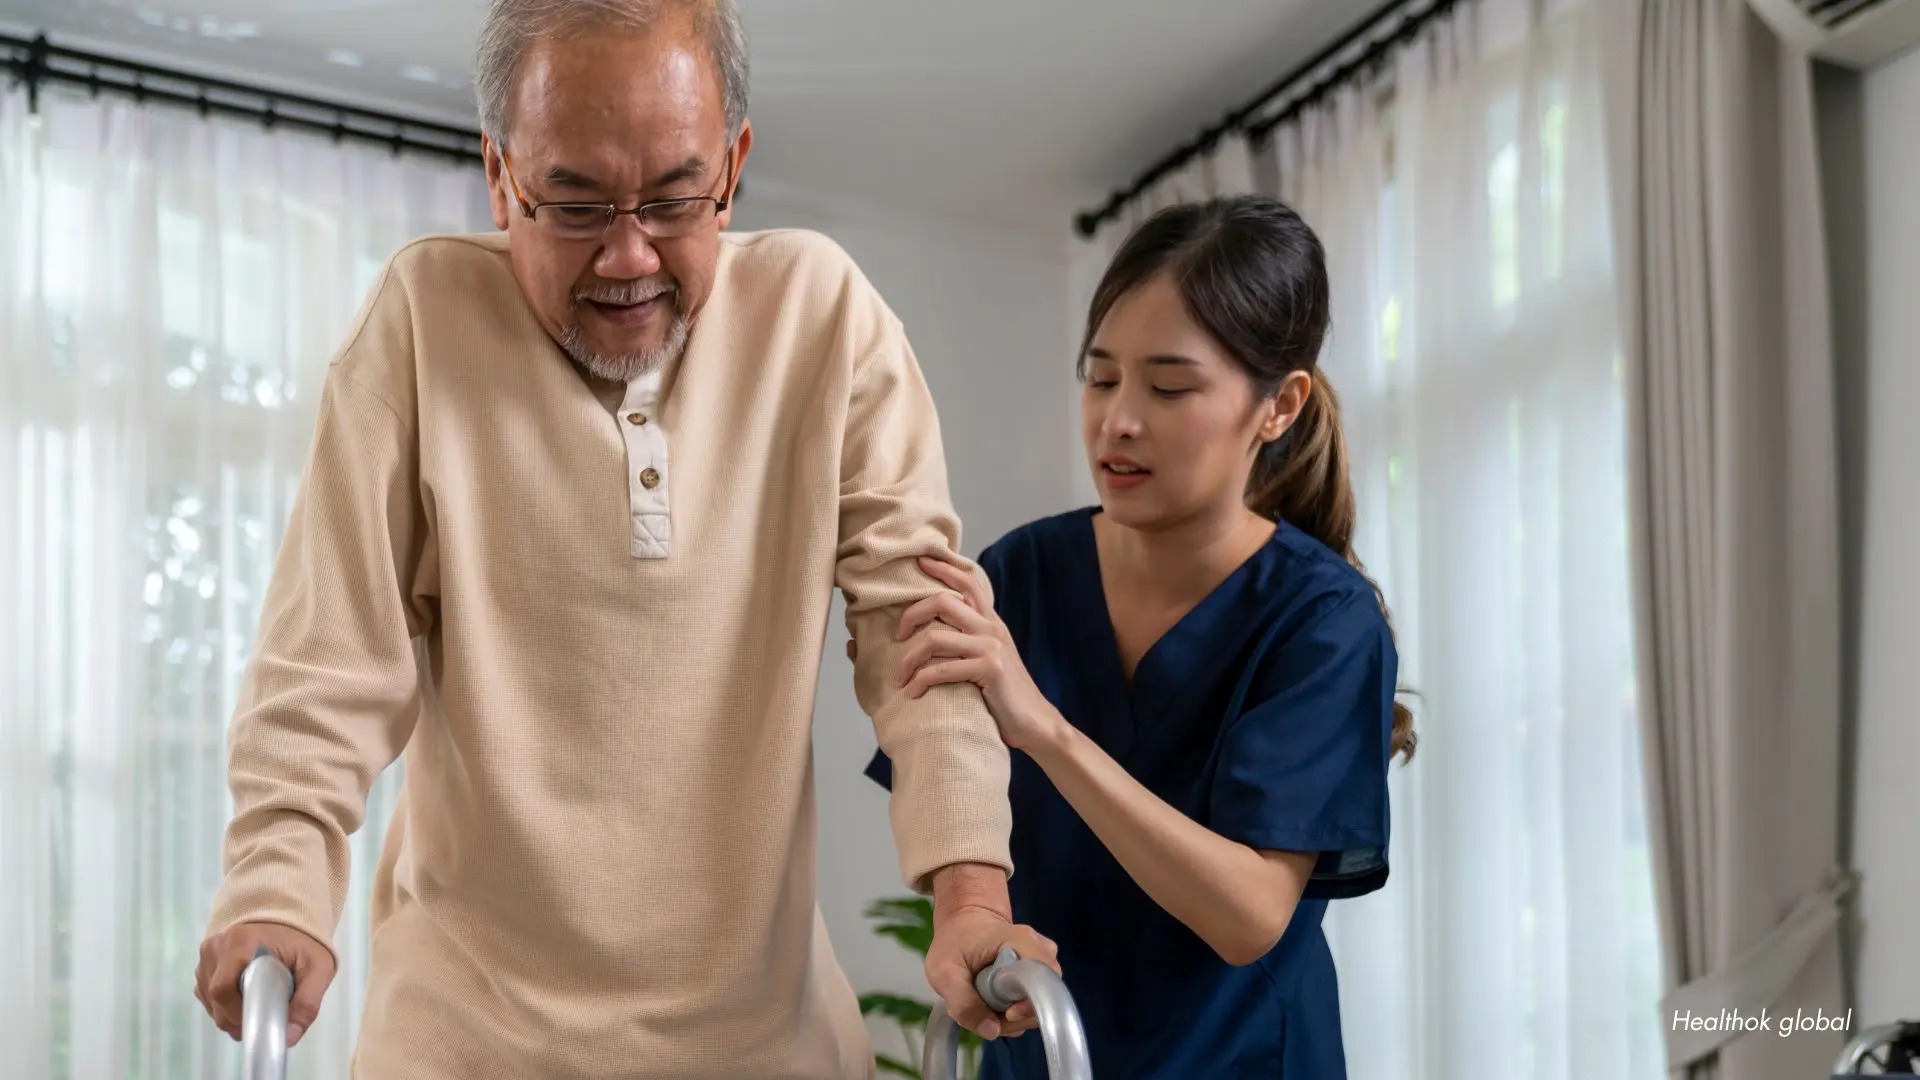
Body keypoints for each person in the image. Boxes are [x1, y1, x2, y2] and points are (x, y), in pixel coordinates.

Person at [190, 1, 1057, 1076]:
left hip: (763, 1041)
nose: (629, 254)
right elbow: (325, 660)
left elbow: (920, 632)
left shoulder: (822, 316)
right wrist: (277, 887)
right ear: (502, 177)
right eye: (577, 203)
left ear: (733, 168)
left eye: (672, 199)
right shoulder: (423, 321)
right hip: (469, 1042)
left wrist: (971, 891)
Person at [863, 195, 1415, 1079]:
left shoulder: (1322, 620)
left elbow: (1249, 917)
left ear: (1279, 407)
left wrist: (1043, 727)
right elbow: (940, 778)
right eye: (1101, 376)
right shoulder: (1026, 576)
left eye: (1169, 386)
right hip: (1046, 1056)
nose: (1118, 419)